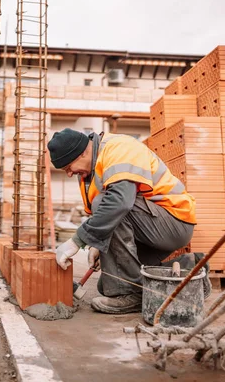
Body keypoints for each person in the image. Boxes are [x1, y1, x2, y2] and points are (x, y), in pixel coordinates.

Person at [48, 128, 205, 314]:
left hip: (173, 222)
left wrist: (78, 240)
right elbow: (107, 214)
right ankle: (189, 266)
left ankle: (132, 296)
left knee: (121, 286)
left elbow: (119, 202)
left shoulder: (118, 148)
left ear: (82, 152)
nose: (69, 173)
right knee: (108, 285)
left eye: (68, 167)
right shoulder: (89, 170)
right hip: (149, 225)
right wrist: (98, 246)